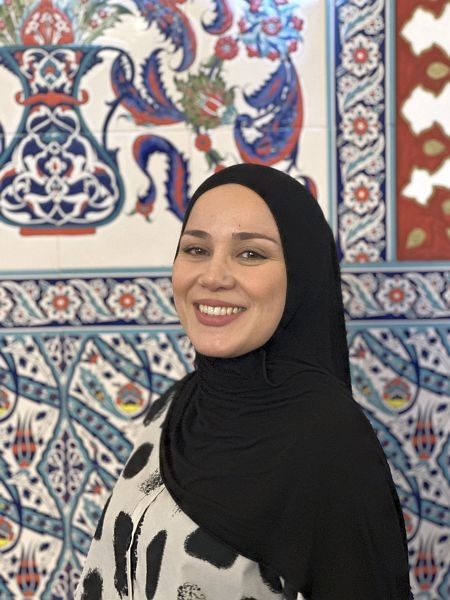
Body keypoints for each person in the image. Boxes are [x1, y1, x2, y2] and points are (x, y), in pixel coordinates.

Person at [75, 164, 412, 600]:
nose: (213, 277)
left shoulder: (329, 440)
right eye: (196, 249)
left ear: (301, 275)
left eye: (250, 254)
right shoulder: (175, 408)